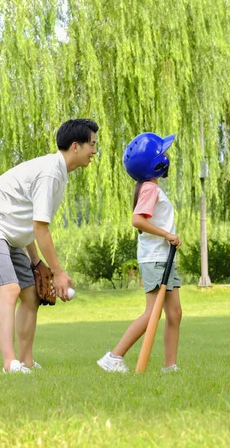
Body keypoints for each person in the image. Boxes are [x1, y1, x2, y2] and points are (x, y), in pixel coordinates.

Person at [0, 119, 99, 373]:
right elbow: (40, 229)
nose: (94, 151)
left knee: (30, 294)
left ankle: (26, 361)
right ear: (75, 146)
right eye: (92, 144)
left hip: (11, 235)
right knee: (10, 290)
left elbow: (29, 223)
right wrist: (58, 273)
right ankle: (10, 363)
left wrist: (36, 263)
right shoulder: (50, 172)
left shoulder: (59, 174)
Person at [97, 132, 183, 373]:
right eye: (163, 153)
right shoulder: (150, 189)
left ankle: (170, 367)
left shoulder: (151, 188)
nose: (166, 156)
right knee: (152, 314)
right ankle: (113, 357)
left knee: (174, 313)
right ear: (155, 163)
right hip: (155, 258)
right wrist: (167, 236)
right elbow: (137, 220)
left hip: (163, 257)